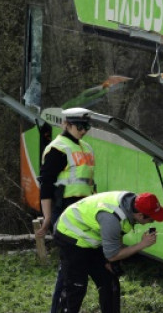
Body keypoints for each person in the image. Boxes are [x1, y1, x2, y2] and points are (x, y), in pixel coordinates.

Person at [53, 191, 163, 313]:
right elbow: (113, 255)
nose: (153, 222)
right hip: (70, 235)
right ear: (140, 215)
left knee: (110, 282)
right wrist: (142, 245)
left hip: (91, 237)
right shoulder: (111, 219)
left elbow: (117, 237)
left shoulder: (131, 203)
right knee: (76, 287)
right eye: (151, 219)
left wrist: (109, 261)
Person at [36, 107, 97, 313]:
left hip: (84, 212)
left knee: (75, 266)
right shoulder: (58, 149)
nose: (83, 131)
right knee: (69, 267)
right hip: (65, 211)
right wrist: (47, 218)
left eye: (86, 127)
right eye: (79, 126)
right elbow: (45, 187)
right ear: (66, 124)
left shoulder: (86, 148)